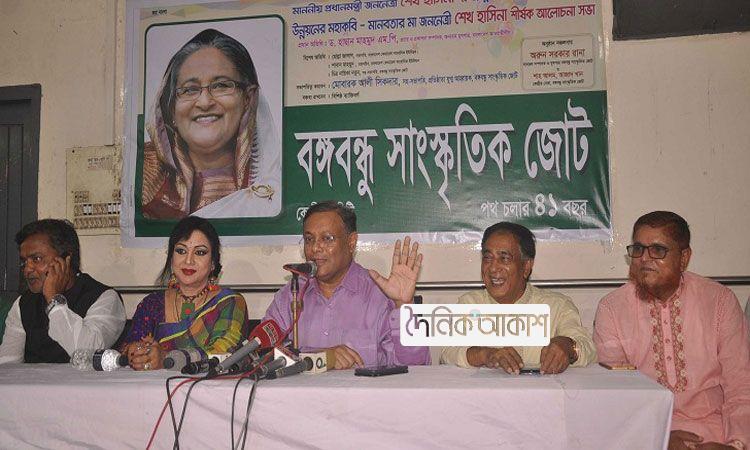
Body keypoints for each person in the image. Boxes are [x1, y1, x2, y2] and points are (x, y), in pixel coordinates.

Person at [594, 211, 750, 449]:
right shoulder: (612, 309)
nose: (644, 259)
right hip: (645, 436)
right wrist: (658, 437)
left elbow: (741, 385)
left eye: (658, 250)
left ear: (684, 258)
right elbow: (616, 394)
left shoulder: (719, 301)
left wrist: (736, 444)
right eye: (638, 249)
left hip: (717, 434)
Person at [263, 201, 431, 369]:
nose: (315, 248)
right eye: (309, 239)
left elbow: (416, 367)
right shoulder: (291, 295)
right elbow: (262, 357)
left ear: (351, 242)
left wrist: (403, 306)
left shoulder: (380, 295)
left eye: (327, 238)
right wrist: (320, 357)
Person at [142, 28, 281, 219]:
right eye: (189, 89)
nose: (205, 102)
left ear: (248, 99)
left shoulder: (273, 185)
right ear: (171, 108)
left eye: (221, 85)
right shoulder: (146, 177)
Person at [440, 222, 595, 374]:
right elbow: (447, 353)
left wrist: (568, 347)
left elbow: (589, 349)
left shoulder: (557, 306)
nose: (493, 268)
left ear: (526, 267)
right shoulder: (469, 304)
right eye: (487, 258)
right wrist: (485, 355)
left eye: (504, 258)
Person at [120, 216, 250, 370]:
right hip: (155, 385)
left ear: (213, 263)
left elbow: (223, 354)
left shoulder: (230, 302)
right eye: (181, 251)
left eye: (200, 252)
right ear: (171, 258)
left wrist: (166, 358)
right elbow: (127, 351)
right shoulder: (152, 304)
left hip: (209, 383)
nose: (188, 261)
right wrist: (137, 353)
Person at [0, 219, 125, 364]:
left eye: (37, 259)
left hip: (84, 379)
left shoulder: (104, 298)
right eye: (24, 261)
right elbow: (7, 364)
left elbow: (86, 354)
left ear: (66, 260)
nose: (27, 269)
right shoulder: (23, 304)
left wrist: (54, 301)